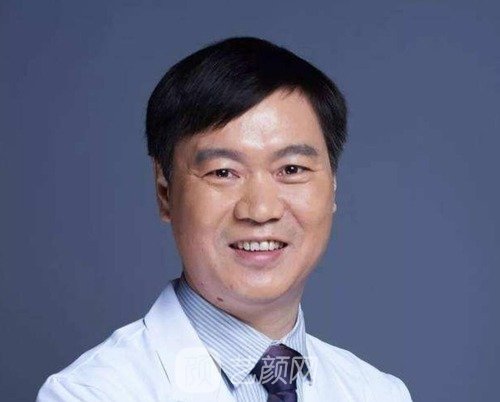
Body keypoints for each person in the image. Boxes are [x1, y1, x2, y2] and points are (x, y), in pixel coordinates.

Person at [37, 37, 412, 401]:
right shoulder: (89, 394)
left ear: (332, 186)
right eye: (222, 172)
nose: (261, 210)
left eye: (292, 169)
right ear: (165, 191)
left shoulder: (378, 393)